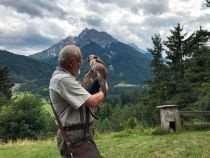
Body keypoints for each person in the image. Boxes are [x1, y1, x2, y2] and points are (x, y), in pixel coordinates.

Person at [49, 45, 108, 158]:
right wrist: (104, 90)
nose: (81, 63)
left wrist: (93, 79)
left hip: (78, 134)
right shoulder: (63, 79)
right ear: (71, 62)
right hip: (74, 135)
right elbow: (92, 101)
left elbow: (82, 94)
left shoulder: (64, 77)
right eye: (79, 60)